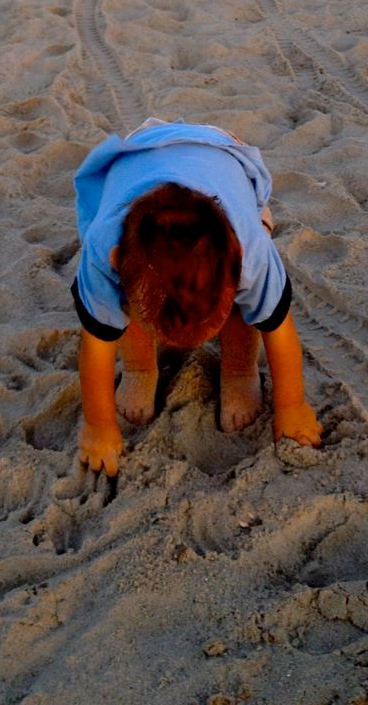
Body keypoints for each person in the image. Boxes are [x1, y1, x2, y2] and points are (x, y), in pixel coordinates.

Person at [72, 118, 322, 476]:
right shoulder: (103, 248)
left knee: (242, 303)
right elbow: (96, 341)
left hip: (222, 150)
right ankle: (139, 367)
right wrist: (98, 426)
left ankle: (239, 371)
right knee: (124, 302)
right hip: (138, 152)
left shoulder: (247, 251)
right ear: (115, 260)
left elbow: (278, 327)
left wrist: (293, 406)